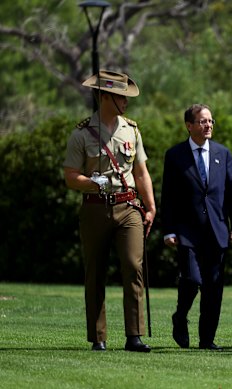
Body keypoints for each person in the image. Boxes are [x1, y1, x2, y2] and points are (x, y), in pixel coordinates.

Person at [63, 69, 156, 352]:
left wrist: (150, 207)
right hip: (94, 209)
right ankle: (98, 337)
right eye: (120, 96)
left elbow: (141, 172)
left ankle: (134, 335)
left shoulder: (132, 130)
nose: (126, 102)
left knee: (133, 266)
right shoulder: (81, 134)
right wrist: (91, 183)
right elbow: (70, 175)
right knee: (96, 272)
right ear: (104, 97)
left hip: (128, 207)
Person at [162, 104, 232, 350]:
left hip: (216, 230)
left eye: (210, 121)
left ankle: (207, 339)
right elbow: (168, 197)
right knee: (192, 278)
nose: (208, 125)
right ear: (189, 126)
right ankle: (180, 316)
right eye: (202, 122)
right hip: (187, 231)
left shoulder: (223, 153)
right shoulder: (175, 155)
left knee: (213, 287)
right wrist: (168, 229)